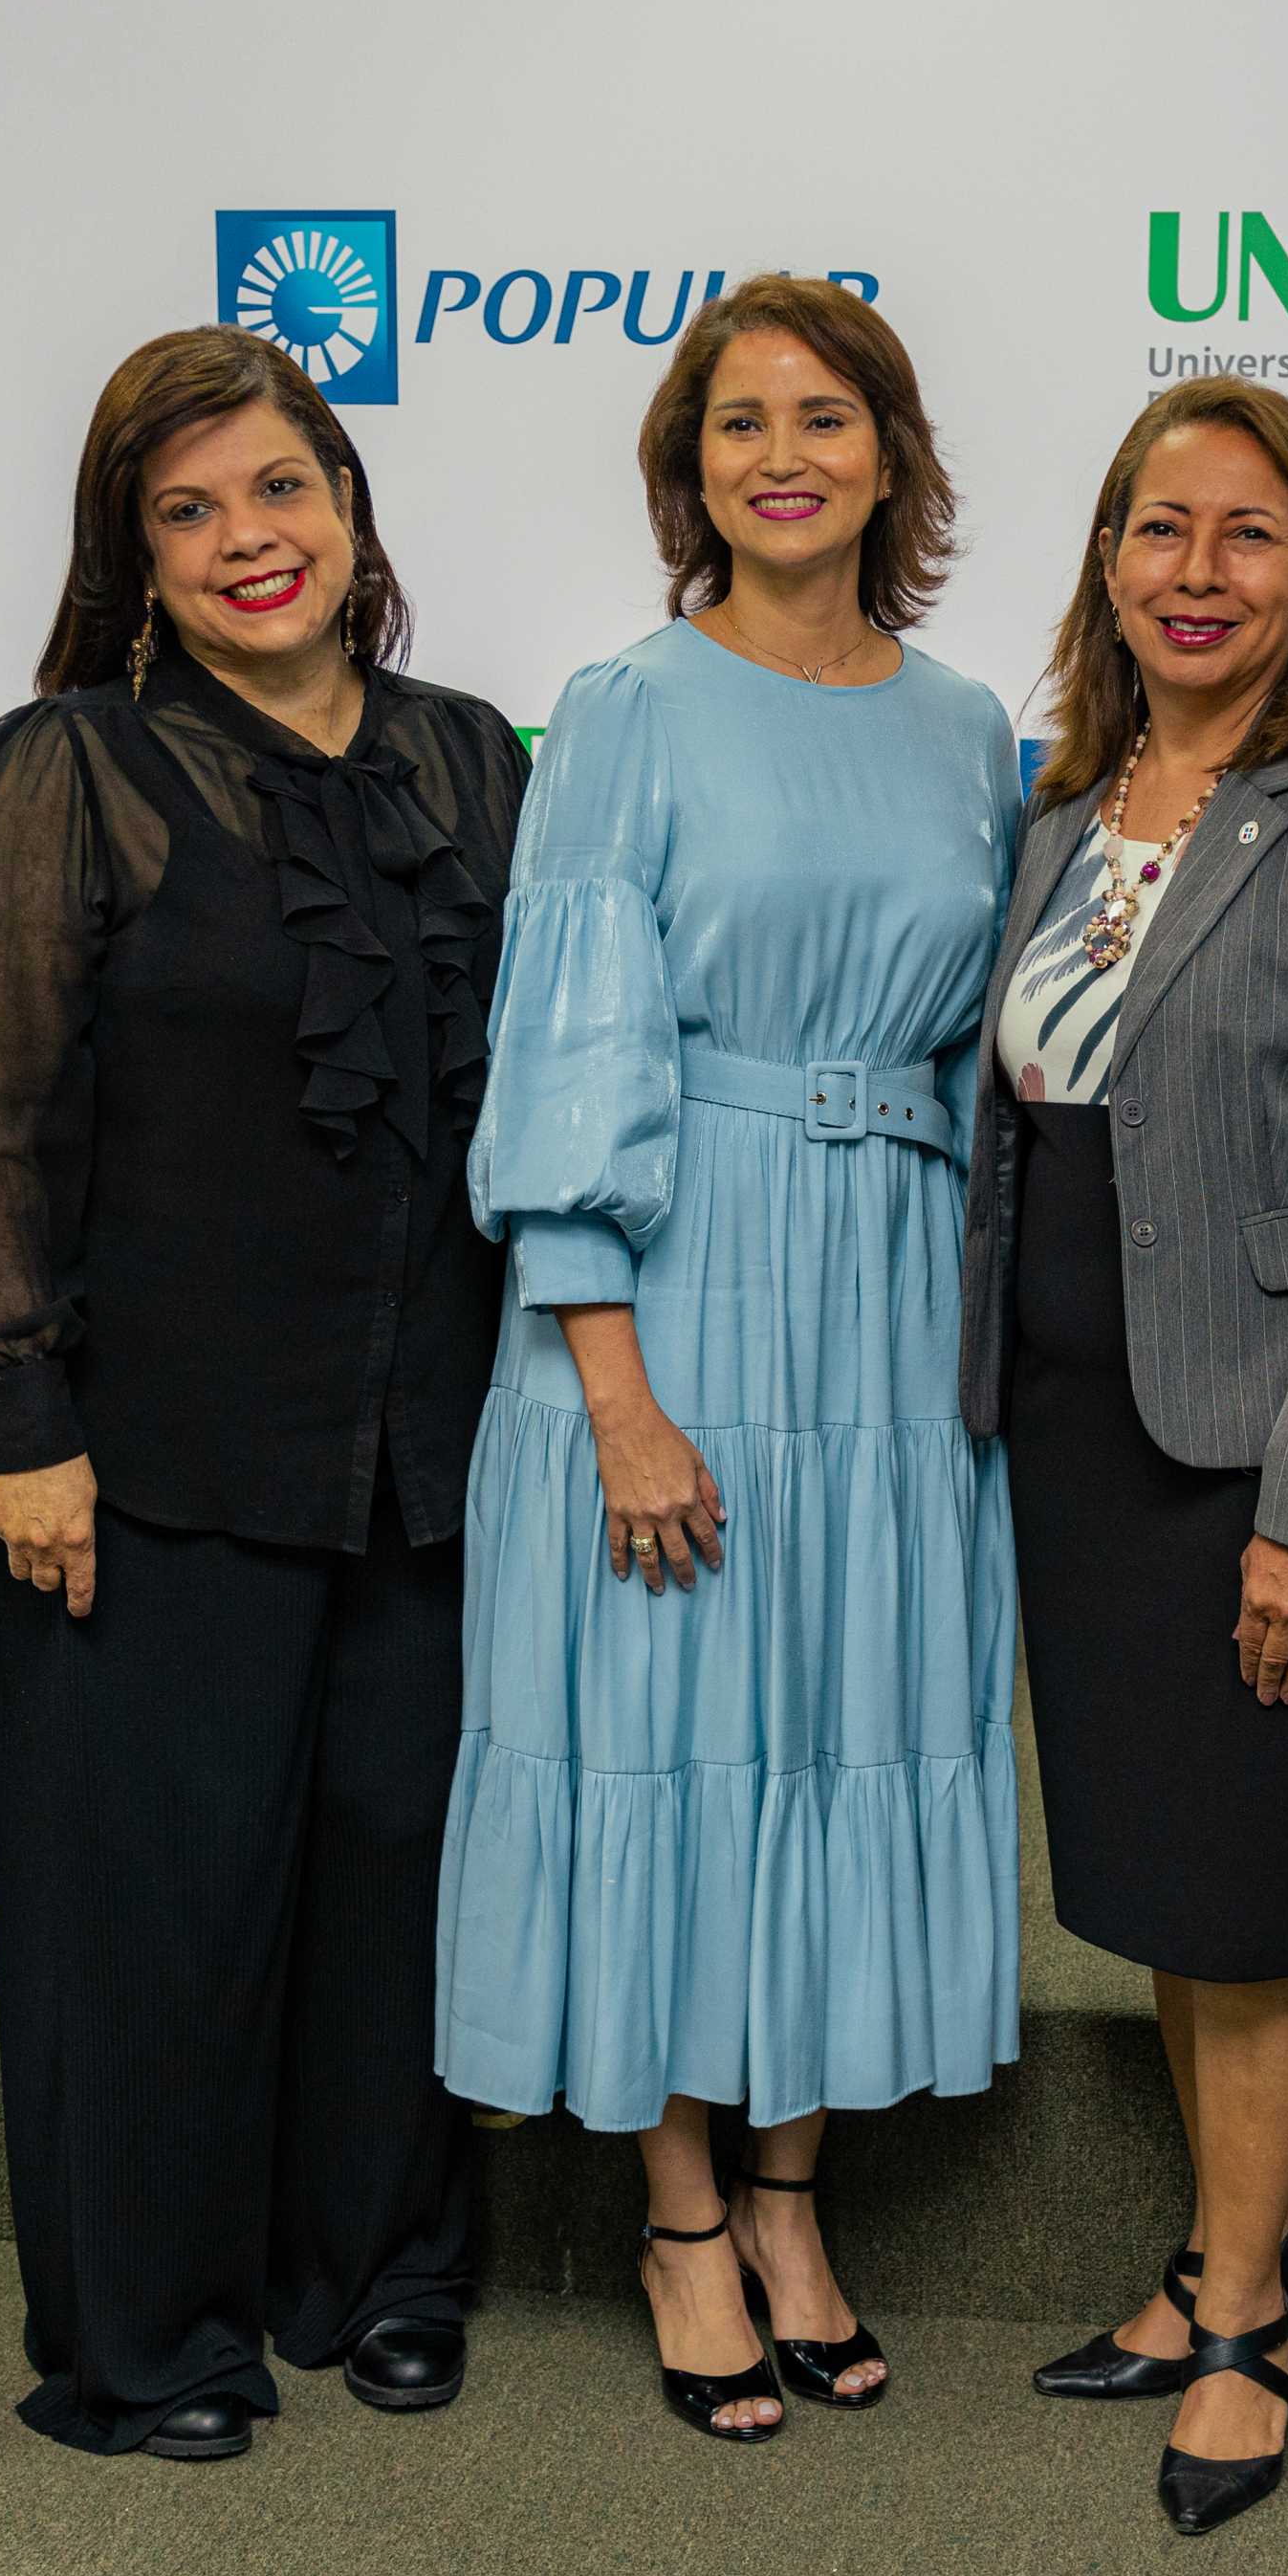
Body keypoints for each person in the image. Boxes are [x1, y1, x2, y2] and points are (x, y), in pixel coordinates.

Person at [0, 327, 523, 2464]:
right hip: (145, 1449)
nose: (247, 541)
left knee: (392, 1871)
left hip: (428, 1450)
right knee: (156, 1902)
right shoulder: (57, 769)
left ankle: (381, 2271)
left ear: (349, 513)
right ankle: (147, 2335)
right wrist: (20, 1425)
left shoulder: (470, 760)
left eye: (279, 492)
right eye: (188, 512)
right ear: (133, 560)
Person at [438, 277, 1026, 2444]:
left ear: (891, 451)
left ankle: (794, 2190)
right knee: (677, 1726)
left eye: (825, 413)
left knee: (838, 1714)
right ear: (688, 473)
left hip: (887, 1305)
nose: (781, 452)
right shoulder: (627, 705)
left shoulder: (969, 722)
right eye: (735, 422)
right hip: (675, 1289)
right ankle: (682, 2213)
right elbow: (570, 1045)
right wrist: (610, 1387)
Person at [963, 380, 1288, 2538]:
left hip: (1277, 1434)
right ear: (1105, 564)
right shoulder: (1064, 806)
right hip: (1087, 1433)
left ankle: (1248, 2316)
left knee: (1262, 1889)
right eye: (1156, 531)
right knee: (1172, 1873)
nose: (1196, 572)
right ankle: (1213, 2247)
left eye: (1246, 536)